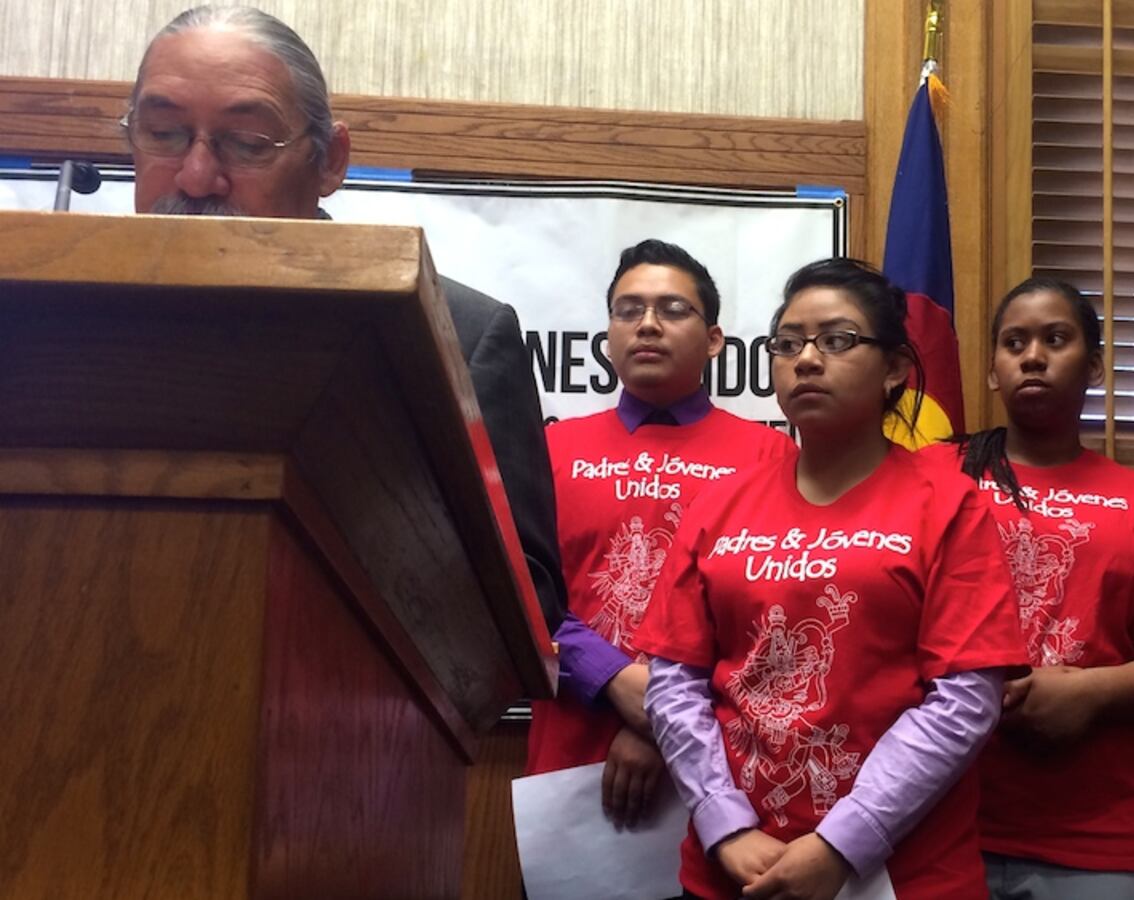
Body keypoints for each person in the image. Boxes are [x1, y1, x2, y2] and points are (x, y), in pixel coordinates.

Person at [123, 5, 565, 630]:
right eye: (164, 134)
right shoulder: (51, 315)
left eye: (247, 144)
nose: (196, 177)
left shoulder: (459, 337)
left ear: (330, 159)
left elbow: (525, 606)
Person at [634, 257, 1028, 900]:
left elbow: (965, 699)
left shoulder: (949, 504)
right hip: (731, 870)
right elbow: (675, 682)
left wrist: (843, 842)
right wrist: (723, 824)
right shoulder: (719, 504)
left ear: (895, 367)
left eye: (837, 340)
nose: (807, 360)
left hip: (902, 875)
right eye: (788, 343)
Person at [922, 277, 1134, 900]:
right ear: (993, 371)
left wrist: (1089, 693)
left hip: (1101, 841)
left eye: (1056, 339)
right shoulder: (933, 475)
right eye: (1014, 343)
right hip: (937, 828)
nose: (1033, 356)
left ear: (1095, 366)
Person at [529, 239, 793, 831]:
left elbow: (770, 613)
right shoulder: (550, 449)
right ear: (608, 336)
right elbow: (519, 589)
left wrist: (660, 722)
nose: (647, 324)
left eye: (673, 310)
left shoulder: (770, 456)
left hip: (721, 767)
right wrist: (611, 678)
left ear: (715, 339)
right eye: (628, 310)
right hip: (569, 760)